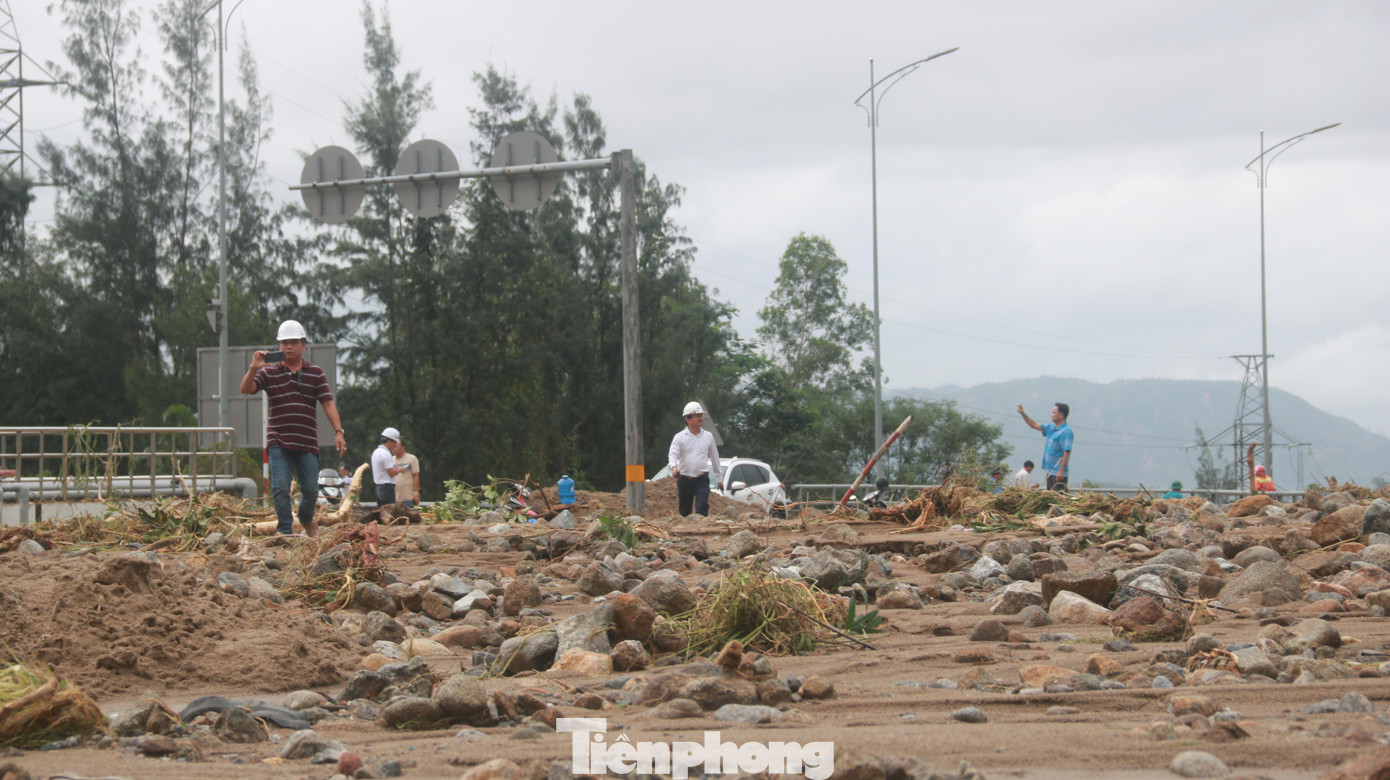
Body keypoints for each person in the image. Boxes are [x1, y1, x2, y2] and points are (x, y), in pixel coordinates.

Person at [239, 320, 345, 536]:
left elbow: (327, 402)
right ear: (278, 347)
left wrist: (339, 431)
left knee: (310, 489)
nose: (288, 347)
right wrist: (253, 369)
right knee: (280, 487)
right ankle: (285, 530)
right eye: (284, 343)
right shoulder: (269, 372)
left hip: (306, 441)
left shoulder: (315, 373)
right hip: (278, 440)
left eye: (294, 342)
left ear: (303, 345)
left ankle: (306, 518)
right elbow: (246, 389)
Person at [668, 401, 722, 517]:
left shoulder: (708, 437)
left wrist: (719, 478)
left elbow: (715, 457)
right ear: (688, 419)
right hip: (684, 480)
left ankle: (702, 533)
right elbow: (673, 454)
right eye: (697, 416)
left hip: (701, 479)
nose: (701, 418)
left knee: (702, 507)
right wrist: (673, 467)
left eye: (701, 415)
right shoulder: (679, 437)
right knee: (684, 512)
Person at [1017, 402, 1073, 492]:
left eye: (1054, 413)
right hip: (1050, 471)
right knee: (1050, 497)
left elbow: (1066, 451)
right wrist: (1023, 413)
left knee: (1058, 499)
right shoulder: (1051, 428)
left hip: (1058, 473)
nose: (1051, 415)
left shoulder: (1066, 431)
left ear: (1061, 415)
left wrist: (1061, 470)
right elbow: (1034, 425)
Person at [372, 427, 408, 505]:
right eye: (394, 443)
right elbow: (391, 473)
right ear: (389, 441)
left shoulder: (376, 452)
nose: (394, 446)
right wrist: (400, 469)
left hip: (378, 488)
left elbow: (384, 470)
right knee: (389, 512)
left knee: (382, 512)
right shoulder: (386, 454)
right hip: (387, 489)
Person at [393, 439, 422, 508]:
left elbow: (416, 476)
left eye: (396, 446)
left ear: (403, 447)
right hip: (394, 499)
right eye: (393, 446)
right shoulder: (390, 460)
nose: (393, 448)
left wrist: (416, 494)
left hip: (408, 498)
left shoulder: (412, 459)